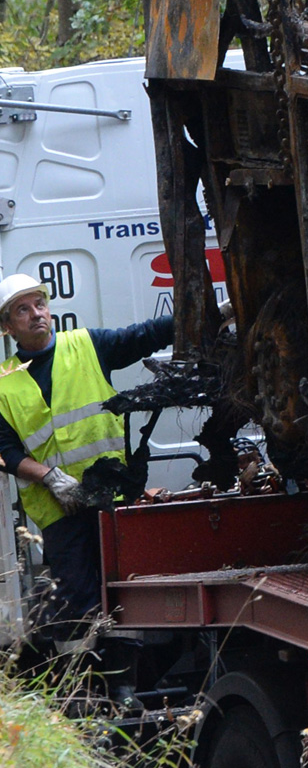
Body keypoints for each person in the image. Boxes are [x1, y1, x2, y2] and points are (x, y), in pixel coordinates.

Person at [0, 272, 174, 636]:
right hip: (61, 512)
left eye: (40, 304)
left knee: (127, 596)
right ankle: (85, 687)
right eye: (22, 309)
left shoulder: (87, 345)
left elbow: (144, 335)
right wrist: (49, 477)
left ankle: (126, 685)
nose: (36, 313)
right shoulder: (3, 383)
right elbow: (6, 451)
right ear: (7, 327)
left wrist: (211, 313)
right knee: (77, 609)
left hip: (113, 497)